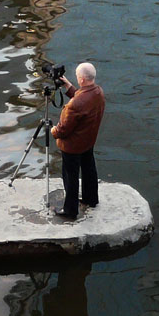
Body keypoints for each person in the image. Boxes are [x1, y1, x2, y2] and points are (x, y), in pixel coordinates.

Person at [49, 62, 105, 219]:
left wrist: (53, 131)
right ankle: (91, 199)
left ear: (81, 79)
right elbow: (83, 100)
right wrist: (68, 86)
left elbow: (63, 129)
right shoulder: (98, 92)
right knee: (89, 170)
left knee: (70, 177)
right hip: (88, 141)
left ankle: (70, 210)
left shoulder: (75, 105)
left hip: (72, 146)